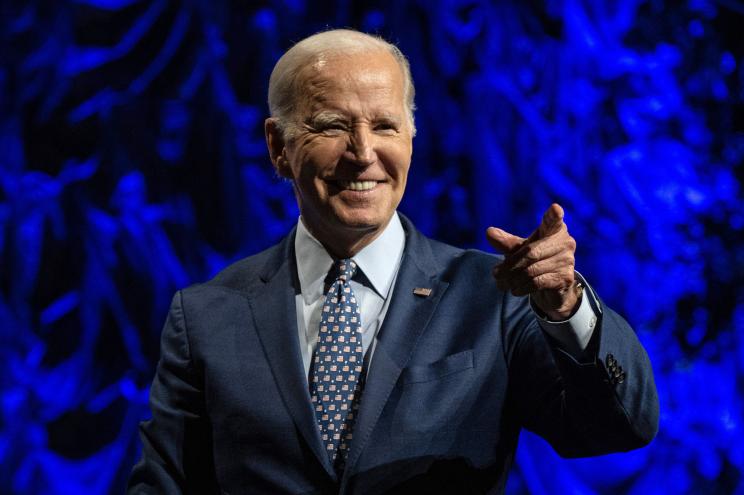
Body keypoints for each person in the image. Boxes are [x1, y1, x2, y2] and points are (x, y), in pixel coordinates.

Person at [128, 29, 659, 494]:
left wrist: (567, 310)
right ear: (278, 146)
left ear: (410, 138)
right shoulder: (206, 317)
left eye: (384, 125)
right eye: (333, 125)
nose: (363, 152)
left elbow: (618, 428)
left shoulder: (494, 296)